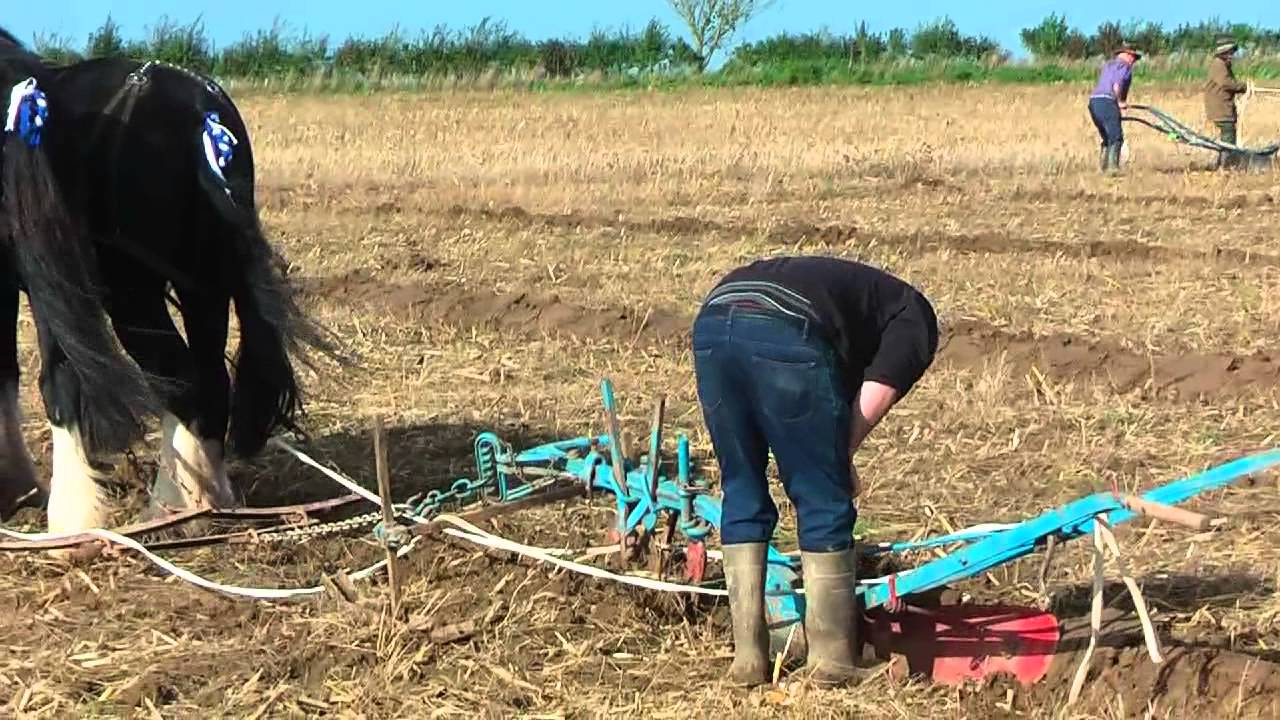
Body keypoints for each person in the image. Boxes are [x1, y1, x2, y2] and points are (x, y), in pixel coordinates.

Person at [691, 256, 938, 687]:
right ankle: (833, 663)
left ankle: (749, 660)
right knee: (823, 499)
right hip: (786, 329)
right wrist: (838, 456)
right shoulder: (915, 318)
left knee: (742, 489)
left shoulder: (851, 291)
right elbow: (876, 394)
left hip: (713, 325)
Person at [1088, 45, 1141, 173]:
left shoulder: (1108, 65)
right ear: (1127, 55)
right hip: (1107, 101)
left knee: (1108, 137)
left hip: (1094, 102)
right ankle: (1112, 169)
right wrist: (1119, 102)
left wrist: (1121, 102)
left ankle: (1103, 168)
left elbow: (1120, 91)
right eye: (1133, 58)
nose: (1134, 61)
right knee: (1116, 137)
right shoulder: (1124, 67)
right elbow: (1117, 85)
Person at [1205, 37, 1251, 170]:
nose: (1232, 55)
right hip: (1220, 108)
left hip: (1224, 107)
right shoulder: (1218, 64)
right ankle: (1226, 165)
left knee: (1228, 135)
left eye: (1232, 52)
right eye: (1230, 52)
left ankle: (1223, 163)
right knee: (1228, 135)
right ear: (1223, 53)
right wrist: (1243, 87)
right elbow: (1226, 83)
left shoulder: (1223, 64)